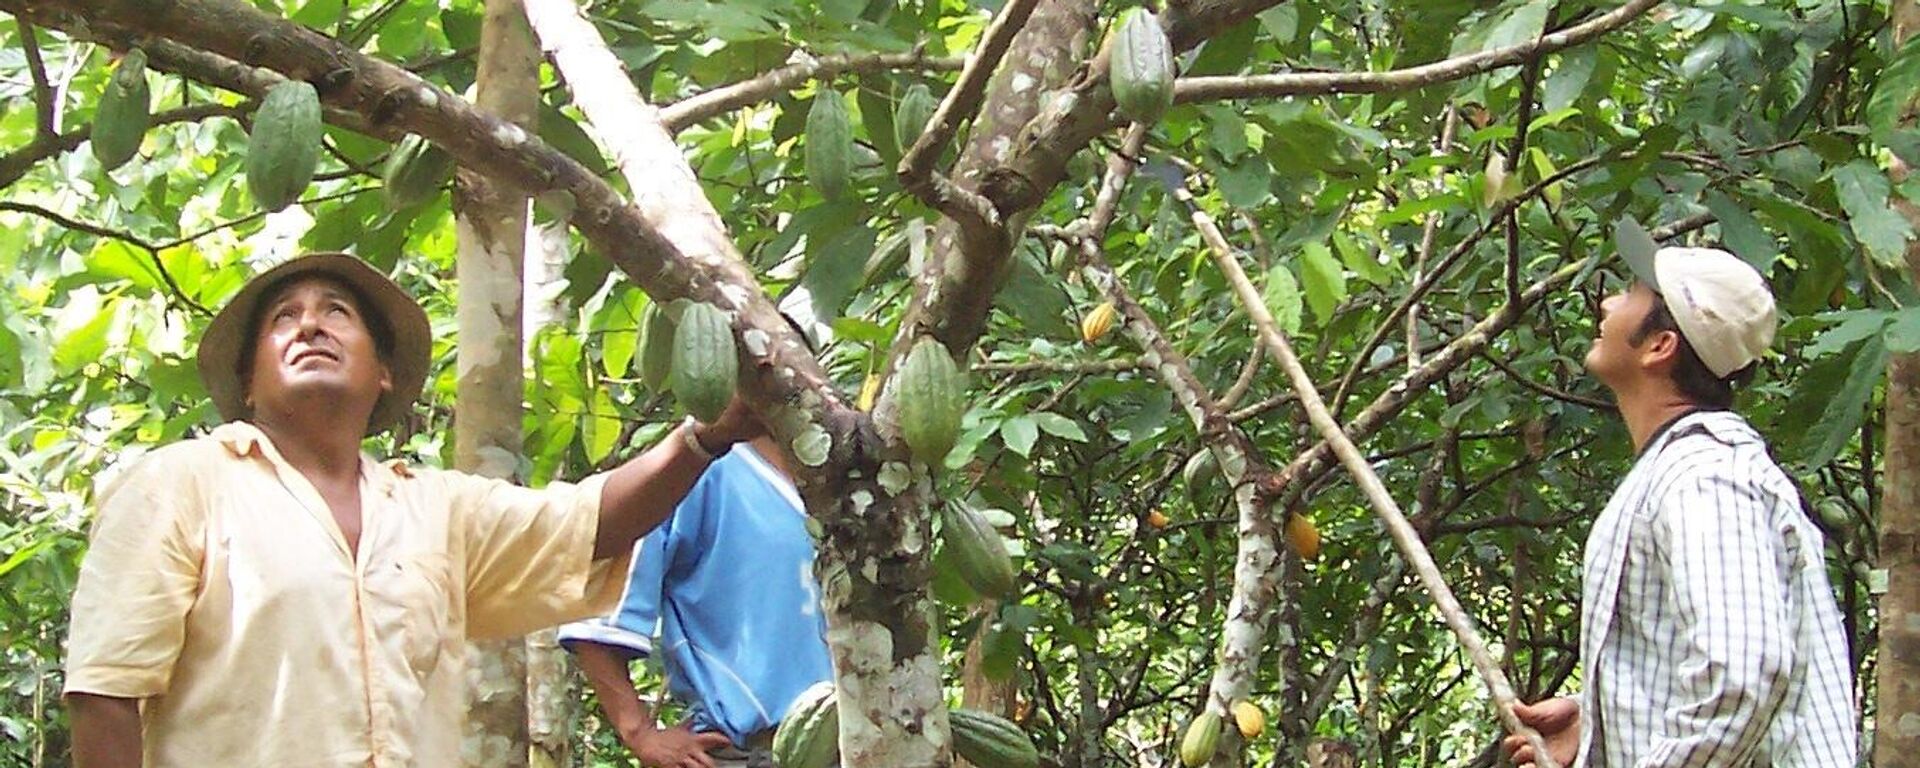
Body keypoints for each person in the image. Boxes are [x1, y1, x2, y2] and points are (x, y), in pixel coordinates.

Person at [63, 252, 764, 768]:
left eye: (336, 313)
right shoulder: (180, 486)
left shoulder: (435, 508)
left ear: (385, 372)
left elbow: (586, 524)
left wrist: (708, 436)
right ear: (249, 381)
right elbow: (105, 693)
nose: (310, 325)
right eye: (285, 319)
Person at [1505, 221, 1857, 767]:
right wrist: (1599, 719)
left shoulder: (1704, 478)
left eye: (1633, 294)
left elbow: (1742, 680)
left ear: (1660, 346)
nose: (1609, 304)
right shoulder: (1686, 469)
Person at [557, 427, 834, 768]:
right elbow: (595, 619)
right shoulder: (695, 473)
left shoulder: (849, 484)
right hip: (743, 752)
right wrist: (640, 734)